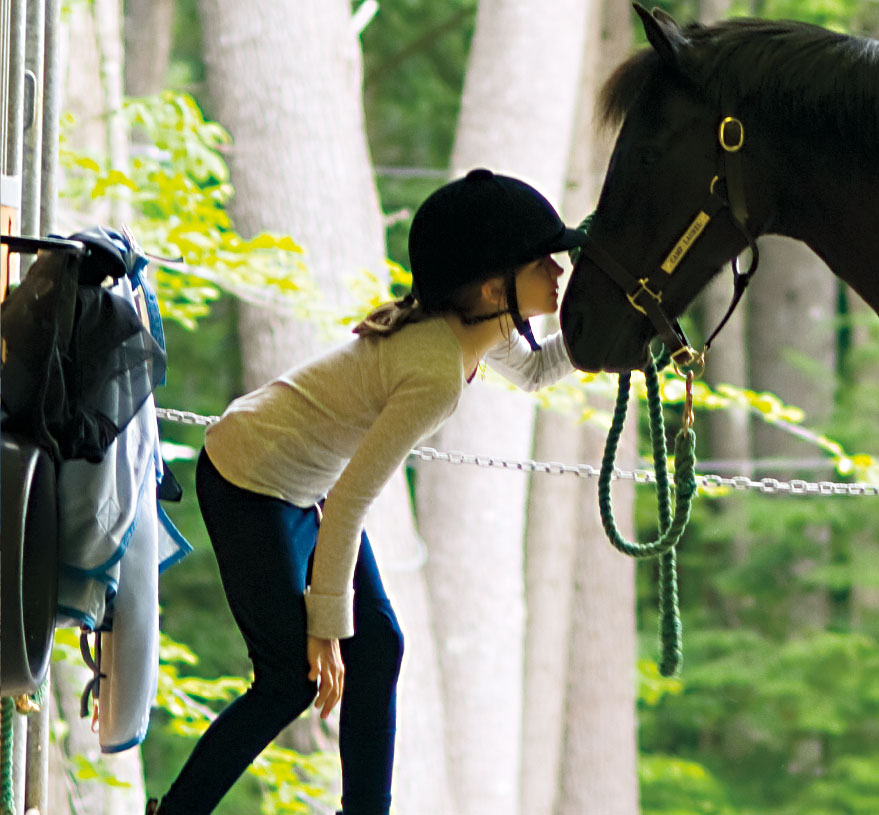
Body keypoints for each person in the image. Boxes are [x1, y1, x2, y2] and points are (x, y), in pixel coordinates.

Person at [147, 167, 587, 815]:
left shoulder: (468, 330)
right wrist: (324, 629)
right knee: (288, 681)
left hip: (299, 482)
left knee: (378, 644)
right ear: (494, 286)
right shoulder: (435, 369)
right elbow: (351, 502)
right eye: (542, 260)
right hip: (250, 477)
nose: (557, 269)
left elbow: (539, 369)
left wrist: (623, 321)